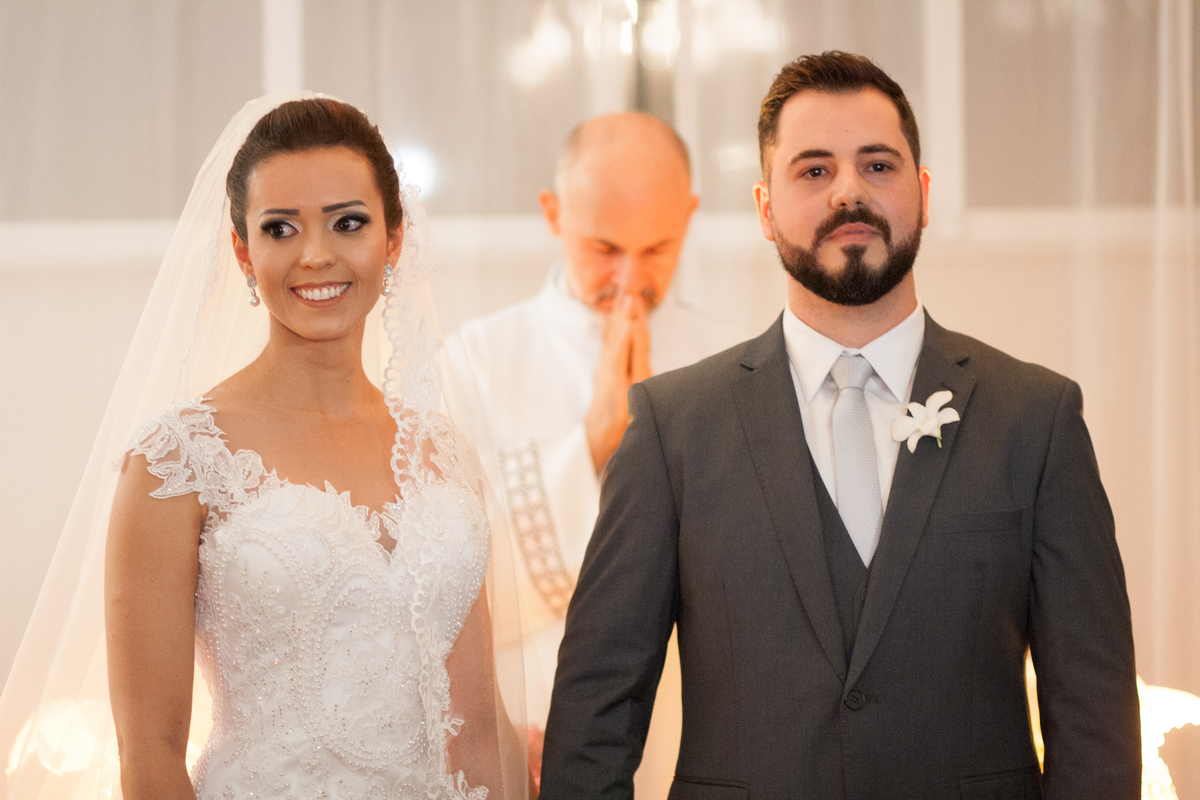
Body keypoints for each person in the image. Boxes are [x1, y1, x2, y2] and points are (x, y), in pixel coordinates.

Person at [540, 51, 1141, 798]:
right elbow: (597, 712)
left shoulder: (1037, 419)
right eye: (814, 171)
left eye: (879, 166)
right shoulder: (673, 429)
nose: (849, 192)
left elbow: (1095, 719)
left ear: (923, 194)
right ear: (764, 208)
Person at [0, 95, 532, 799]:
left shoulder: (444, 453)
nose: (316, 255)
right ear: (244, 252)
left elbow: (480, 725)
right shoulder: (177, 459)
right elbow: (150, 753)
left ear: (393, 240)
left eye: (349, 223)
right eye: (281, 228)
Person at [450, 112, 745, 796]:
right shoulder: (475, 363)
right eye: (604, 246)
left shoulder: (740, 359)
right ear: (554, 215)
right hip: (529, 722)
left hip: (698, 732)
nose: (630, 278)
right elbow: (453, 577)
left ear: (691, 216)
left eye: (658, 248)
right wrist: (593, 443)